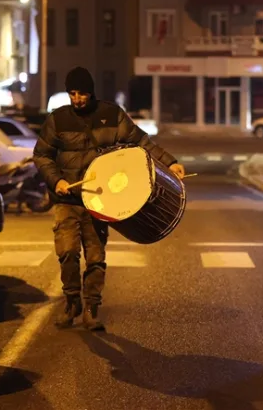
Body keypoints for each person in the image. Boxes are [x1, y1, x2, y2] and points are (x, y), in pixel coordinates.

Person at [33, 67, 185, 330]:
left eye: (82, 93)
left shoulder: (111, 115)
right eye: (72, 93)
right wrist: (56, 180)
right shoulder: (57, 119)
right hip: (67, 201)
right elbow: (42, 155)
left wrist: (169, 163)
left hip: (100, 199)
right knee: (67, 252)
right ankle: (71, 301)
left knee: (95, 256)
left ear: (91, 92)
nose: (77, 98)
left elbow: (141, 142)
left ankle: (91, 307)